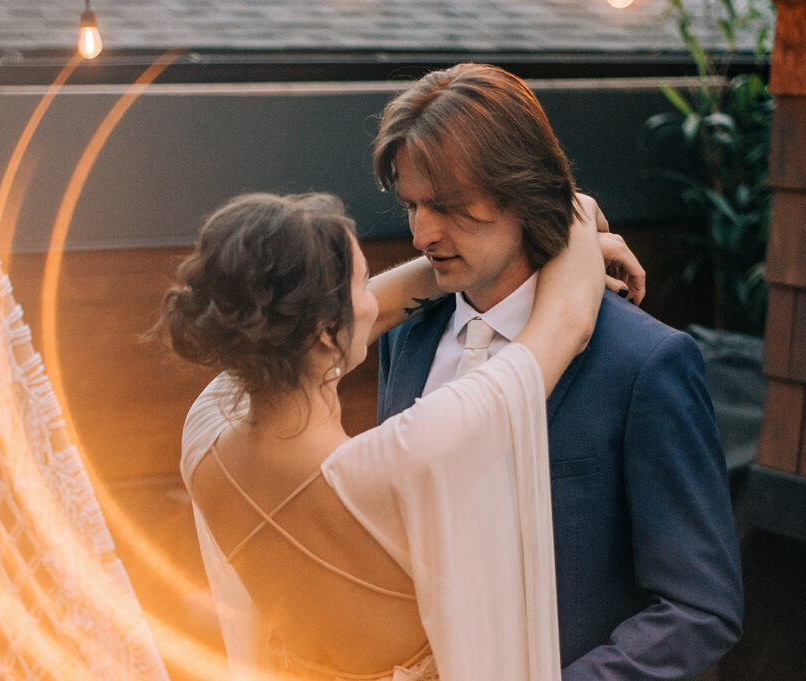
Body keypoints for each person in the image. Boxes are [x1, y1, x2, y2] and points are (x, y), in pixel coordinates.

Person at [159, 190, 641, 681]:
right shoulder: (407, 457)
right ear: (326, 332)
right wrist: (571, 213)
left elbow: (379, 311)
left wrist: (505, 253)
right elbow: (567, 324)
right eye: (363, 284)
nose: (375, 304)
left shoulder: (206, 431)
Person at [372, 63, 743, 680]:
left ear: (524, 192)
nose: (421, 233)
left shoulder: (646, 366)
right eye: (412, 205)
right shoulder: (404, 339)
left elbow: (699, 608)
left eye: (447, 206)